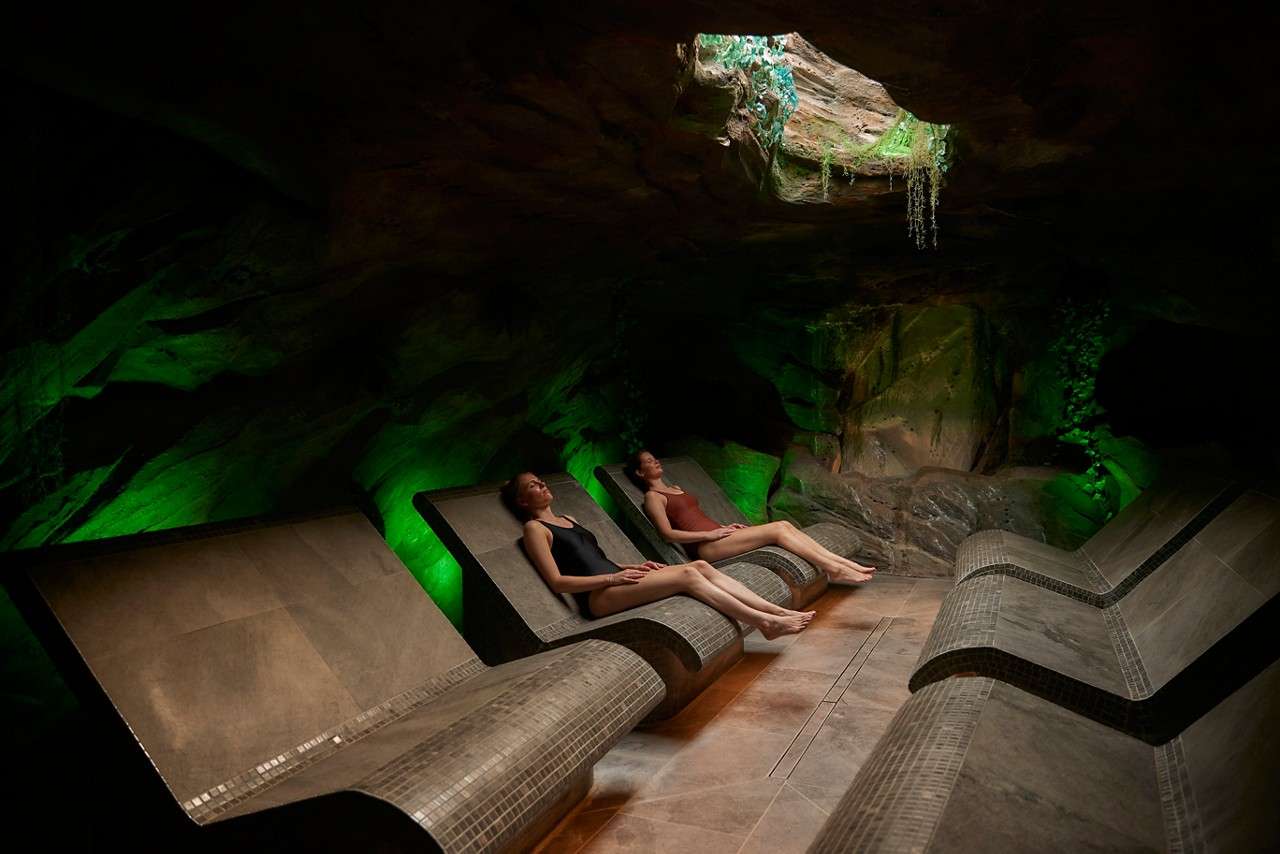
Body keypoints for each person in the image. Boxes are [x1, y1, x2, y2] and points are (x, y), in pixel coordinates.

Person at [501, 472, 815, 639]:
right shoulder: (535, 529)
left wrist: (632, 566)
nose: (542, 486)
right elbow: (558, 581)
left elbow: (590, 557)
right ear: (522, 501)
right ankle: (764, 623)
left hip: (618, 580)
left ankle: (774, 611)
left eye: (541, 481)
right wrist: (614, 576)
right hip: (599, 597)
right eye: (533, 486)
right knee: (689, 574)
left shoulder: (568, 518)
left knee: (700, 565)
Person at [627, 449, 877, 584]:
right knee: (778, 529)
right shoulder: (653, 497)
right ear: (640, 472)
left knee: (785, 524)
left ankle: (844, 564)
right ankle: (834, 568)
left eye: (655, 457)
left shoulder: (675, 488)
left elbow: (694, 516)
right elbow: (667, 534)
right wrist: (710, 534)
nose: (656, 461)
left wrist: (723, 527)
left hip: (719, 535)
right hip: (705, 547)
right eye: (649, 461)